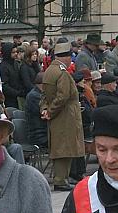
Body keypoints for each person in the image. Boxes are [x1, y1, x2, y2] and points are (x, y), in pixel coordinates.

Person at [41, 41, 83, 191]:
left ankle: (62, 179)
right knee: (65, 148)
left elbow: (44, 95)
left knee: (60, 147)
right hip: (66, 115)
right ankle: (61, 180)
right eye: (69, 56)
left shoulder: (49, 71)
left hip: (57, 115)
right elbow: (63, 96)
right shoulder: (62, 73)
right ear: (64, 57)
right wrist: (51, 111)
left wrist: (45, 110)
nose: (70, 59)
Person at [0, 43, 23, 109]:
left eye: (16, 52)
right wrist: (17, 93)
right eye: (13, 52)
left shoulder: (15, 63)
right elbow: (4, 85)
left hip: (17, 95)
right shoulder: (3, 67)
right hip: (9, 99)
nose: (16, 54)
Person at [25, 72, 47, 146]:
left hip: (44, 131)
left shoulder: (39, 94)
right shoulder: (34, 97)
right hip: (39, 134)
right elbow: (45, 114)